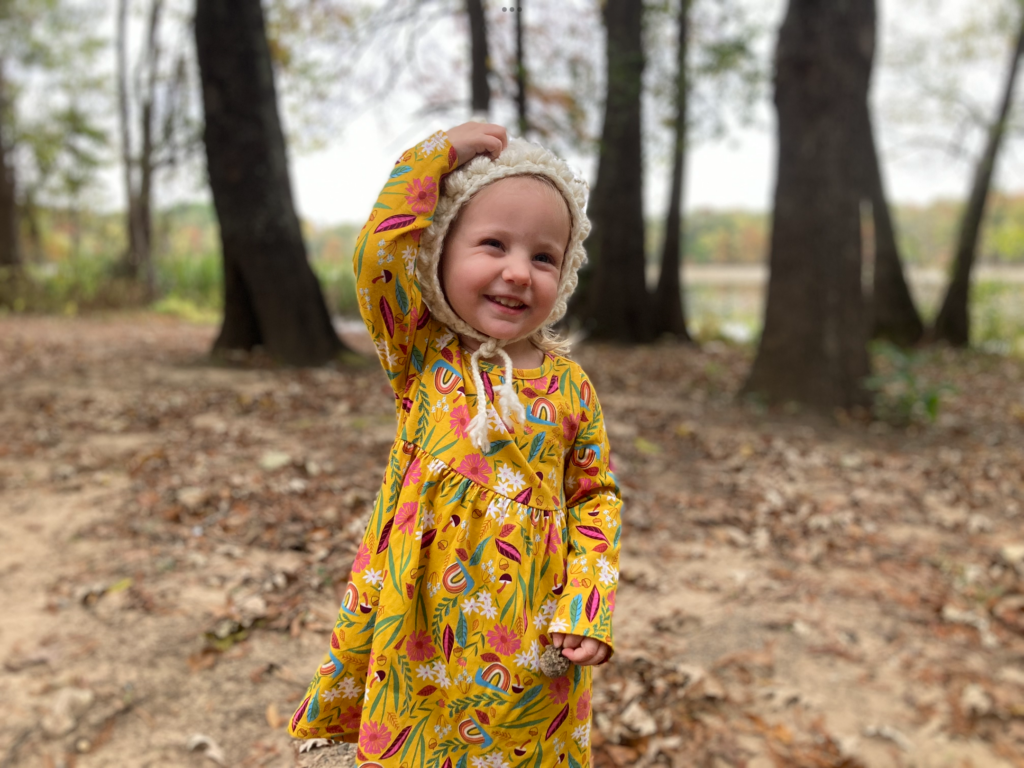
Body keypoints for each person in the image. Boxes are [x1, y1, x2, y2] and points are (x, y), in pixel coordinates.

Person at [288, 121, 622, 768]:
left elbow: (595, 498)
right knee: (416, 734)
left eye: (544, 256)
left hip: (527, 620)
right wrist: (431, 160)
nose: (518, 273)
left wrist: (587, 603)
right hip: (419, 611)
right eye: (492, 244)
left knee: (520, 742)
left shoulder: (571, 386)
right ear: (439, 252)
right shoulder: (423, 354)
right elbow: (377, 258)